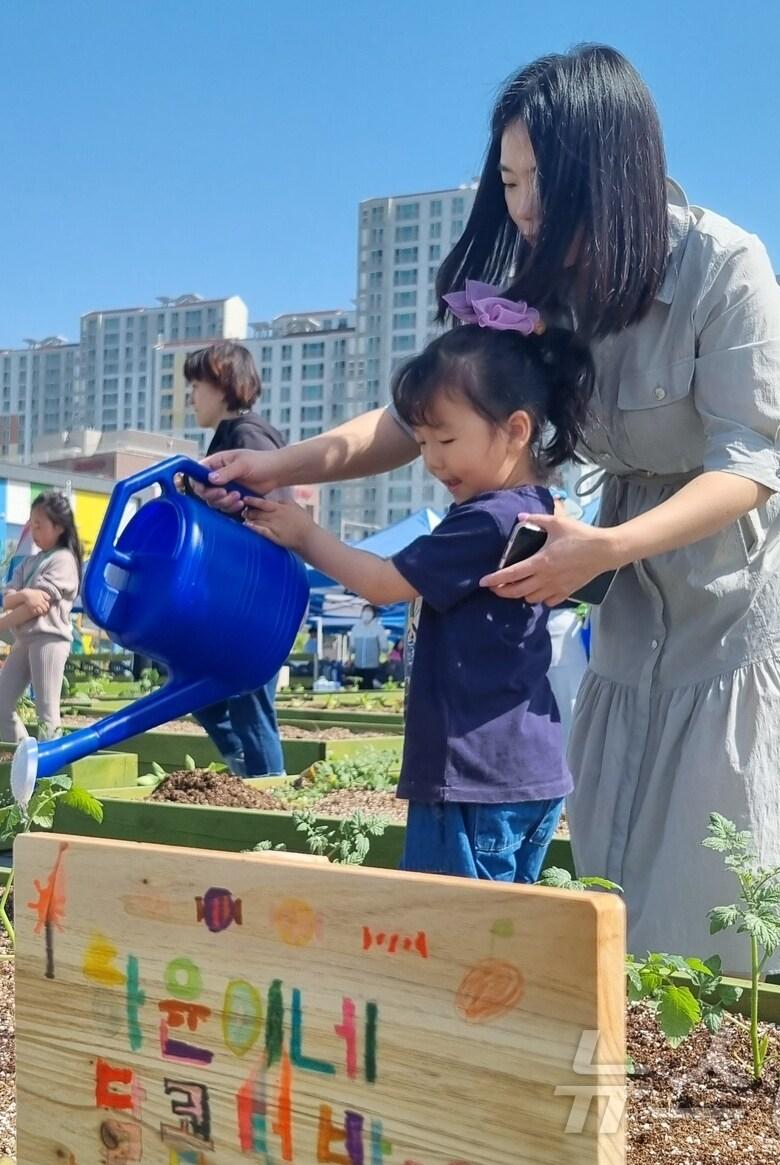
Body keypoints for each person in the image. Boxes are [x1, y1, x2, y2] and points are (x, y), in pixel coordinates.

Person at [204, 45, 780, 973]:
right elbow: (424, 417)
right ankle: (629, 1009)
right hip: (627, 542)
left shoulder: (725, 268)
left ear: (604, 173)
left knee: (728, 813)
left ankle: (726, 1035)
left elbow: (751, 461)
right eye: (510, 182)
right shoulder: (538, 297)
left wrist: (605, 547)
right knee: (616, 796)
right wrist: (269, 463)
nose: (521, 209)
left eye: (538, 184)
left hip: (766, 544)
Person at [245, 316, 583, 880]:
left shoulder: (488, 520)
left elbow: (381, 584)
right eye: (423, 442)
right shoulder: (535, 505)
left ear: (516, 429)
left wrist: (305, 534)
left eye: (447, 440)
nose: (432, 459)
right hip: (521, 770)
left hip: (473, 776)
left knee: (452, 940)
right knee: (504, 943)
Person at [185, 340, 288, 777]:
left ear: (223, 383)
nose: (191, 395)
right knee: (200, 686)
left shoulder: (247, 436)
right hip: (246, 593)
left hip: (259, 593)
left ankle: (271, 798)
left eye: (197, 384)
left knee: (250, 705)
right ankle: (248, 771)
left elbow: (274, 511)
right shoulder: (231, 436)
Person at [0, 492, 82, 741]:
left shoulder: (64, 560)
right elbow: (8, 599)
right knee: (0, 707)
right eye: (32, 524)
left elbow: (36, 607)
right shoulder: (29, 561)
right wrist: (26, 594)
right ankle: (24, 757)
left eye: (39, 525)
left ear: (58, 527)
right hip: (25, 639)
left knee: (47, 712)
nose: (34, 531)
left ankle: (50, 772)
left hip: (49, 639)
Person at [348, 605, 391, 689]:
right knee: (359, 688)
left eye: (369, 611)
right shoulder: (356, 628)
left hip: (372, 666)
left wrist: (385, 655)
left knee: (369, 688)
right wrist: (350, 659)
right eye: (365, 610)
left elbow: (384, 647)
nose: (366, 613)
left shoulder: (378, 628)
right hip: (358, 666)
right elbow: (351, 647)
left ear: (374, 614)